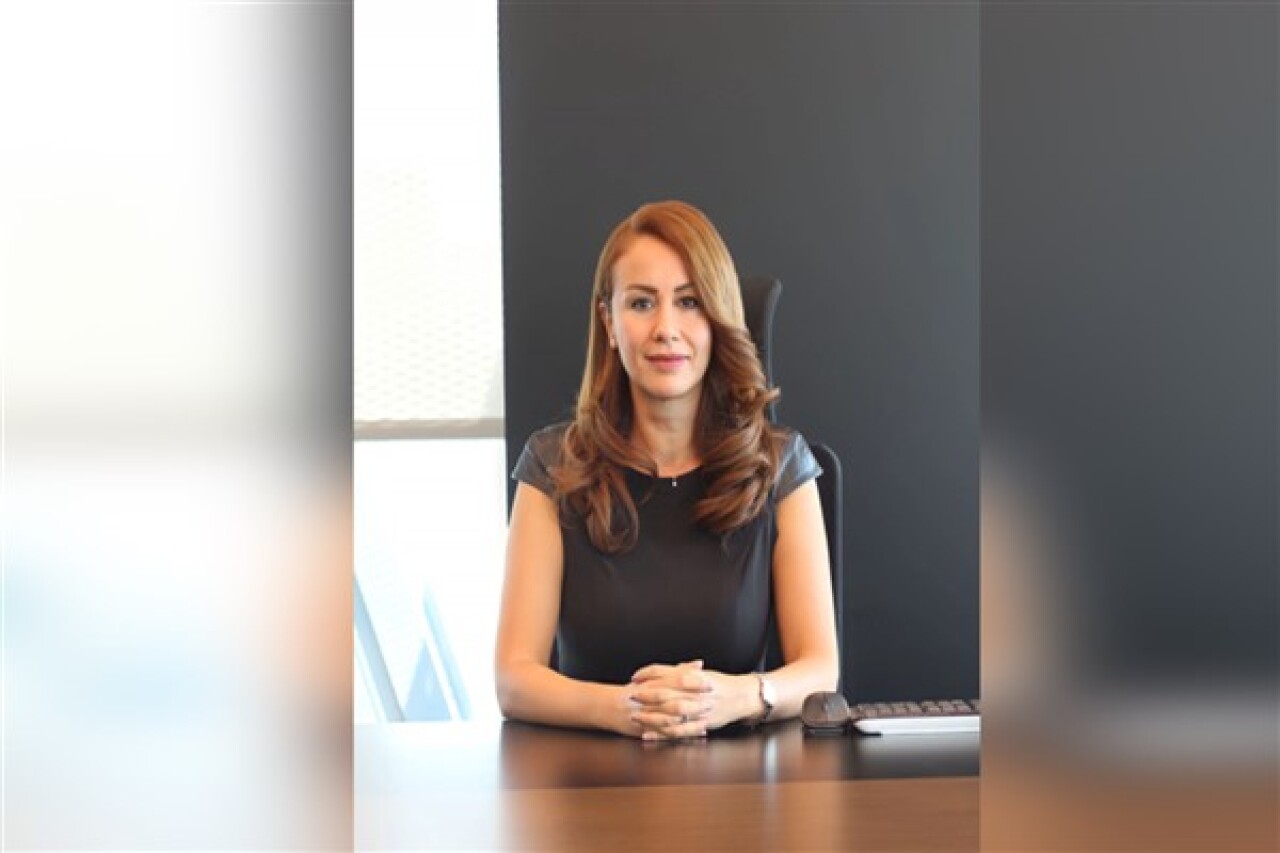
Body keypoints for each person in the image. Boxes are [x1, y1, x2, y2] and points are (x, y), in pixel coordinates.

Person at [495, 200, 839, 740]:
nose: (666, 329)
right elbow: (514, 679)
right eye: (641, 303)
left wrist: (738, 698)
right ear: (609, 322)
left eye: (689, 302)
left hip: (738, 778)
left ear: (719, 319)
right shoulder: (553, 465)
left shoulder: (780, 466)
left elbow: (820, 669)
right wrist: (628, 708)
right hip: (586, 776)